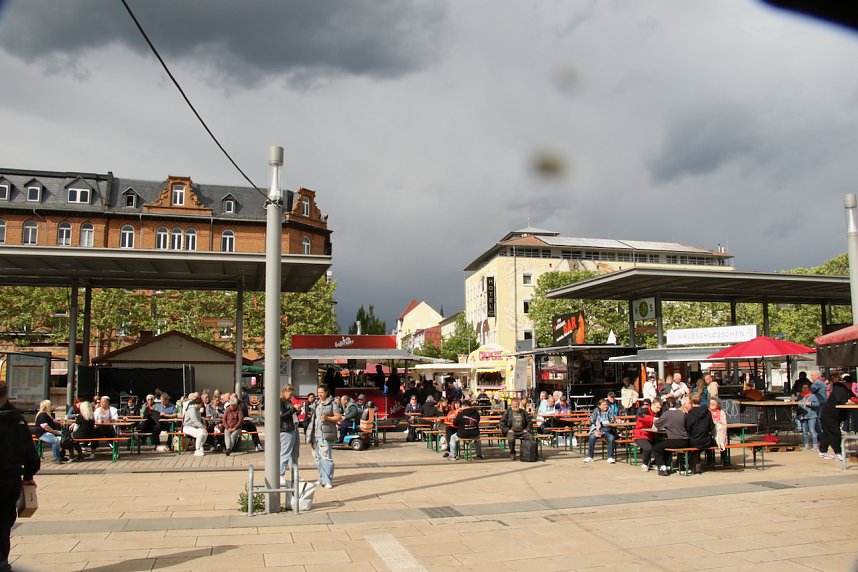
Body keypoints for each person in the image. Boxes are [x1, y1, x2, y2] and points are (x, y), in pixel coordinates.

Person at [0, 382, 40, 572]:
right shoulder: (18, 420)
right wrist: (29, 475)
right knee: (3, 526)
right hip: (9, 481)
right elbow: (31, 455)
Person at [306, 384, 340, 488]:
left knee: (326, 457)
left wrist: (327, 418)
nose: (320, 394)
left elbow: (338, 417)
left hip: (326, 434)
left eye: (322, 392)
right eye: (318, 392)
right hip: (315, 434)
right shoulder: (316, 404)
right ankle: (321, 478)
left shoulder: (332, 403)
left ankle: (328, 480)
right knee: (318, 458)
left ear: (326, 392)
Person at [817, 376, 857, 461]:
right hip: (829, 415)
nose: (851, 386)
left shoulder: (847, 390)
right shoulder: (839, 388)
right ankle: (838, 453)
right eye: (850, 384)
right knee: (835, 433)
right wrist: (849, 402)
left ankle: (822, 451)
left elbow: (853, 397)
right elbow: (841, 401)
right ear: (847, 383)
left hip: (834, 415)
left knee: (828, 433)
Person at [653, 396, 689, 476]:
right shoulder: (681, 413)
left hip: (674, 440)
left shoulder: (666, 414)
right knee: (665, 447)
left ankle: (663, 467)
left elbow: (657, 424)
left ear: (667, 405)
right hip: (685, 440)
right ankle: (668, 465)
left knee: (657, 448)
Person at [685, 393, 715, 474]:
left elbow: (687, 429)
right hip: (706, 441)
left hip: (693, 441)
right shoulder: (707, 412)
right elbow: (712, 427)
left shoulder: (689, 414)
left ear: (691, 401)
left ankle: (694, 465)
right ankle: (699, 463)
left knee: (688, 444)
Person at [633, 397, 662, 471]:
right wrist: (653, 419)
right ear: (652, 404)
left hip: (652, 434)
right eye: (657, 407)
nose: (658, 409)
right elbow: (640, 417)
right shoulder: (643, 410)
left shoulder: (659, 412)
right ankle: (645, 464)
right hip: (640, 435)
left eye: (659, 408)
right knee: (648, 448)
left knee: (661, 447)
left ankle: (654, 463)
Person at [34, 400, 67, 464]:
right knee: (55, 440)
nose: (52, 406)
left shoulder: (47, 414)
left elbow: (52, 420)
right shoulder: (42, 415)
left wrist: (60, 422)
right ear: (47, 406)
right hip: (42, 433)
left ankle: (61, 455)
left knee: (64, 436)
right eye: (51, 405)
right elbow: (45, 426)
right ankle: (57, 458)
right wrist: (54, 432)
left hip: (49, 432)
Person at [584, 399, 617, 464]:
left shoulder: (610, 410)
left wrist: (603, 426)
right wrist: (596, 430)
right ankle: (590, 456)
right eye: (603, 405)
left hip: (607, 430)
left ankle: (610, 457)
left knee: (611, 437)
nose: (605, 406)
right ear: (599, 406)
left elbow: (612, 420)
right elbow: (592, 421)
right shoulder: (596, 411)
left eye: (606, 404)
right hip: (596, 430)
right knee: (592, 437)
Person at [279, 385, 300, 477]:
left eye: (292, 395)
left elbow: (291, 415)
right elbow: (282, 416)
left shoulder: (288, 401)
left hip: (294, 426)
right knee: (286, 453)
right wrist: (294, 409)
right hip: (286, 429)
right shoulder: (280, 401)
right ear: (284, 392)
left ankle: (294, 475)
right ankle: (280, 474)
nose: (291, 397)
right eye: (290, 395)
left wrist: (296, 411)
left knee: (295, 454)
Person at [795, 382, 819, 451]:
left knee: (812, 431)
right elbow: (797, 404)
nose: (804, 389)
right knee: (804, 431)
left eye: (806, 388)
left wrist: (811, 403)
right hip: (803, 415)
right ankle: (806, 445)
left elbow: (817, 404)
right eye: (803, 388)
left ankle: (815, 445)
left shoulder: (812, 396)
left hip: (811, 415)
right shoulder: (800, 396)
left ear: (809, 388)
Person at [708, 398, 728, 465]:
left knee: (722, 437)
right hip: (711, 434)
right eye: (710, 403)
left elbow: (724, 423)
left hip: (720, 433)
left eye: (713, 404)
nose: (711, 405)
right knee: (709, 439)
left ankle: (724, 460)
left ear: (717, 404)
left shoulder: (721, 412)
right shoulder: (708, 412)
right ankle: (710, 460)